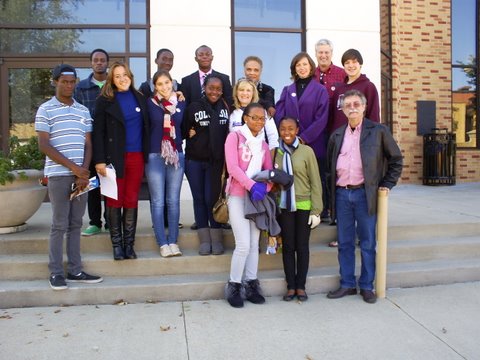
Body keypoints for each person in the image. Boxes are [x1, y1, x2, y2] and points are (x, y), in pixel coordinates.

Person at [326, 89, 403, 304]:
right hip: (342, 194)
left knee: (368, 242)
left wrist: (387, 184)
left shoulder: (378, 131)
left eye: (356, 104)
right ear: (342, 108)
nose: (352, 108)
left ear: (363, 107)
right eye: (347, 104)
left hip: (365, 194)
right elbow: (329, 169)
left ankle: (367, 286)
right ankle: (347, 284)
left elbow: (396, 160)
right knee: (345, 243)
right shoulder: (337, 135)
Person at [35, 64, 103, 290]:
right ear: (55, 82)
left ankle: (75, 270)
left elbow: (88, 145)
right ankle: (55, 272)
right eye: (64, 81)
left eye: (72, 82)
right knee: (59, 224)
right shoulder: (45, 109)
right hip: (58, 175)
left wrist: (84, 172)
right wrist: (75, 169)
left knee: (75, 224)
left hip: (81, 178)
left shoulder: (82, 111)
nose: (69, 85)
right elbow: (44, 145)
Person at [93, 62, 150, 261]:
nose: (122, 79)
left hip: (136, 156)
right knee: (113, 199)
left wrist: (178, 95)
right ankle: (117, 246)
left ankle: (129, 246)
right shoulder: (104, 101)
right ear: (112, 80)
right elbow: (98, 133)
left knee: (131, 199)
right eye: (117, 76)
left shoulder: (140, 98)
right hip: (111, 159)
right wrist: (99, 160)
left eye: (125, 74)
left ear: (130, 76)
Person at [224, 102, 273, 308]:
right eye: (255, 117)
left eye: (262, 119)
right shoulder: (234, 137)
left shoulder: (263, 145)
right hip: (237, 195)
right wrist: (252, 185)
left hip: (256, 199)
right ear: (245, 118)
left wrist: (265, 189)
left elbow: (269, 172)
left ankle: (251, 284)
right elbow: (233, 168)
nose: (259, 122)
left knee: (254, 244)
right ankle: (234, 285)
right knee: (243, 244)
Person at [275, 52, 330, 224]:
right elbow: (279, 114)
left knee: (315, 177)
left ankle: (318, 210)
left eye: (305, 64)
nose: (302, 68)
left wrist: (304, 137)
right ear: (294, 69)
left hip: (313, 142)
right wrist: (288, 136)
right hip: (290, 142)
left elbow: (322, 118)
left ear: (311, 66)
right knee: (294, 175)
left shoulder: (320, 90)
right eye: (298, 65)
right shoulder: (287, 90)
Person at [274, 116, 323, 302]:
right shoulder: (276, 152)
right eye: (283, 129)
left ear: (297, 130)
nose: (287, 133)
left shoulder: (306, 151)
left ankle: (301, 286)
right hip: (284, 205)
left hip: (304, 205)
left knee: (302, 246)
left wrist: (316, 210)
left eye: (291, 129)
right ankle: (290, 286)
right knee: (288, 246)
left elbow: (316, 181)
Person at [182, 74, 229, 255]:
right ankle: (204, 239)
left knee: (213, 198)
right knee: (199, 199)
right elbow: (184, 130)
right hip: (194, 161)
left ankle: (216, 238)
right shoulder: (193, 107)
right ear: (204, 88)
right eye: (211, 88)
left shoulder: (226, 108)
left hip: (216, 162)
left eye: (218, 89)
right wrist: (190, 132)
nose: (214, 92)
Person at [138, 48, 183, 230]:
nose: (167, 62)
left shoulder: (178, 88)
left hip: (173, 147)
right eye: (164, 58)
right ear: (156, 60)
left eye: (170, 59)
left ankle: (169, 222)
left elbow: (182, 119)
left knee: (171, 195)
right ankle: (159, 223)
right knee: (157, 194)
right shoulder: (144, 88)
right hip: (155, 146)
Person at [145, 70, 186, 258]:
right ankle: (162, 242)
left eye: (167, 83)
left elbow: (184, 125)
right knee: (158, 201)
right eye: (160, 84)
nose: (164, 87)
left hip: (176, 155)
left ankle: (173, 241)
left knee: (173, 200)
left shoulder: (181, 102)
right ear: (155, 86)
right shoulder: (150, 103)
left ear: (172, 83)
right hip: (155, 155)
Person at [74, 48, 110, 237]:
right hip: (90, 142)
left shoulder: (114, 85)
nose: (99, 63)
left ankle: (111, 221)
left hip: (111, 141)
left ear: (107, 63)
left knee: (110, 183)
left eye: (102, 60)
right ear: (91, 63)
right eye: (95, 60)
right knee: (93, 183)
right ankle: (95, 222)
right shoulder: (81, 88)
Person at [329, 48, 380, 134]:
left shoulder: (368, 87)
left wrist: (372, 138)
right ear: (344, 66)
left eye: (354, 62)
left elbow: (373, 116)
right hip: (339, 139)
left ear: (360, 64)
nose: (351, 65)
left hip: (360, 138)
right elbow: (333, 117)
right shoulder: (339, 89)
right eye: (347, 63)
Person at [229, 78, 278, 153]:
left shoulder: (263, 111)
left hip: (260, 158)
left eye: (248, 90)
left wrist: (271, 159)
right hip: (238, 160)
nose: (245, 93)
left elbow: (273, 136)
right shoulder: (231, 113)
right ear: (236, 93)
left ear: (253, 93)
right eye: (241, 90)